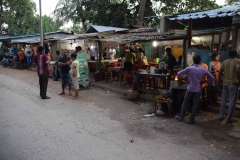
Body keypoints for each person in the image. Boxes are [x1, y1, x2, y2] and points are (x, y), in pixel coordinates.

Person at [177, 55, 214, 124]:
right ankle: (191, 119)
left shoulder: (189, 68)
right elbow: (212, 77)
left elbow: (179, 73)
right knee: (195, 104)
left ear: (193, 61)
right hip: (198, 89)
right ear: (200, 61)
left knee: (185, 103)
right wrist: (205, 81)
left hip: (190, 88)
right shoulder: (203, 69)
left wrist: (185, 79)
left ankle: (181, 117)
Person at [218, 50, 240, 123]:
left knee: (223, 100)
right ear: (236, 55)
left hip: (225, 83)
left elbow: (220, 72)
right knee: (232, 102)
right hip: (233, 84)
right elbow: (237, 70)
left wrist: (219, 81)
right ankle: (229, 118)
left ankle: (221, 116)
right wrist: (239, 80)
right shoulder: (237, 61)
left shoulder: (224, 62)